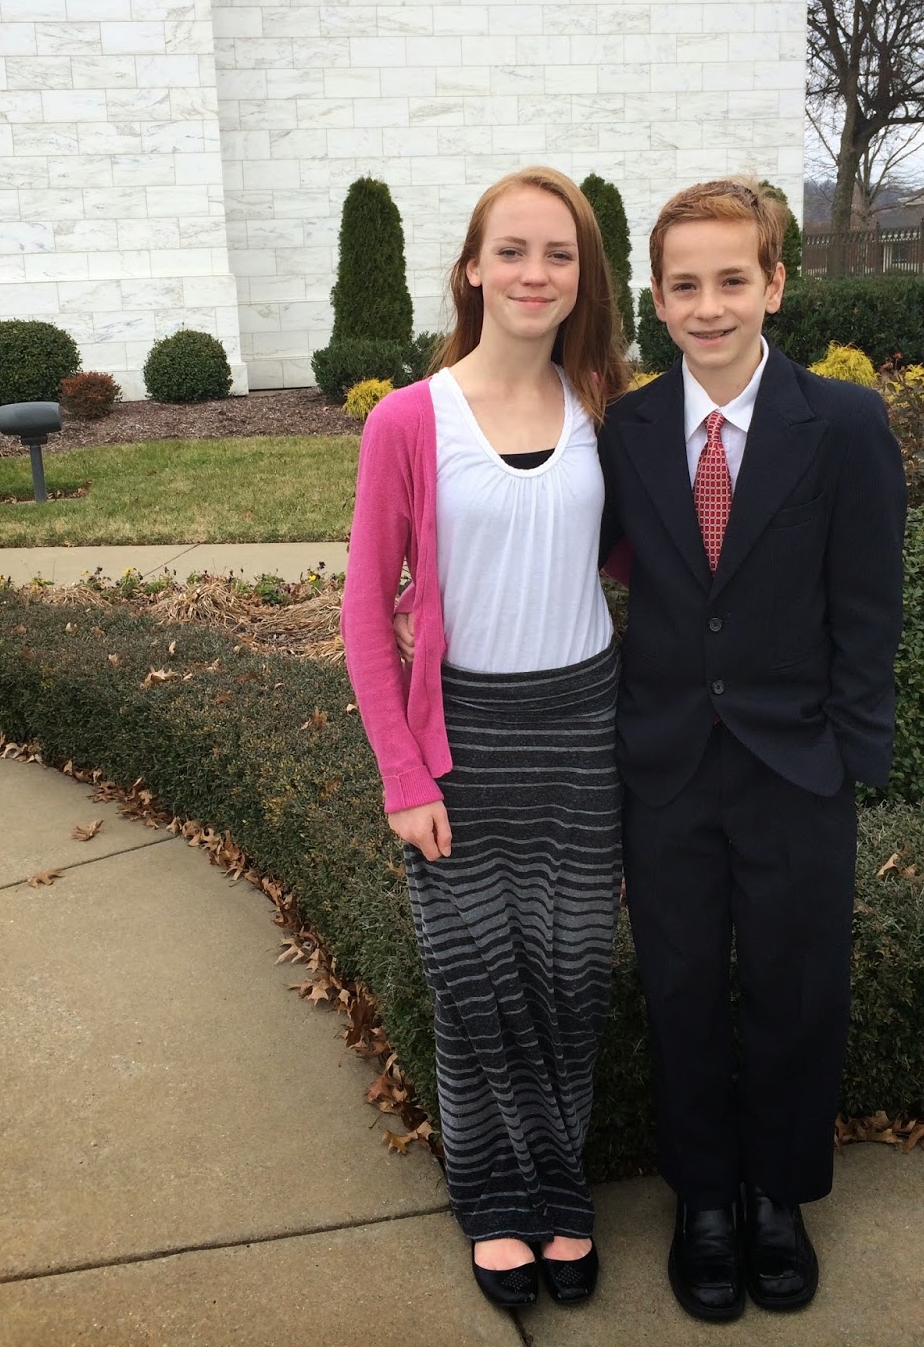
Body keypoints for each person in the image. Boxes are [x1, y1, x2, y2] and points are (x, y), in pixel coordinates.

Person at [598, 179, 907, 1322]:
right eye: (685, 284)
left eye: (734, 279)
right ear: (657, 297)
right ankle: (704, 1202)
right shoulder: (627, 431)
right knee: (680, 985)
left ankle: (777, 1193)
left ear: (775, 284)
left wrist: (848, 754)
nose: (710, 305)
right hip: (669, 764)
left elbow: (868, 603)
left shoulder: (845, 425)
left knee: (795, 983)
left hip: (796, 766)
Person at [340, 166, 630, 1311]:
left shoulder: (604, 403)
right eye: (511, 250)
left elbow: (636, 553)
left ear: (582, 278)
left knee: (569, 977)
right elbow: (367, 609)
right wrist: (403, 774)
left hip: (584, 733)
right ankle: (496, 1201)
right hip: (462, 738)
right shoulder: (410, 420)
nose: (533, 273)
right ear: (471, 268)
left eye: (558, 254)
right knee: (476, 985)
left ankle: (560, 1192)